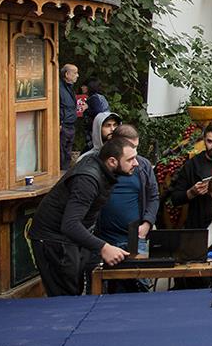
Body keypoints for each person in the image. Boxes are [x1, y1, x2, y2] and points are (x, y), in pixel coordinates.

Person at [29, 126, 137, 296]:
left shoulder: (102, 169)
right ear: (112, 161)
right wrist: (103, 247)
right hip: (53, 240)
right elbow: (70, 224)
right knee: (66, 297)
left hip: (69, 240)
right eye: (130, 160)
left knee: (76, 292)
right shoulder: (87, 179)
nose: (136, 163)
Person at [84, 123, 159, 293]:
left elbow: (153, 196)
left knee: (139, 286)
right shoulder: (98, 165)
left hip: (136, 238)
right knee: (102, 288)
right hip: (104, 238)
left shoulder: (142, 166)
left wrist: (147, 223)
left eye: (136, 147)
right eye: (130, 147)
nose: (134, 154)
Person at [164, 119, 212, 231]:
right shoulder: (192, 165)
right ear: (204, 140)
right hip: (199, 225)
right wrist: (192, 192)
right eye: (210, 141)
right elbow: (175, 199)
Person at [80, 77, 109, 152]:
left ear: (89, 87)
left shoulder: (94, 98)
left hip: (96, 129)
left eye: (84, 86)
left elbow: (98, 112)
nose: (82, 87)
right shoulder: (100, 97)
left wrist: (87, 109)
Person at [59, 63, 79, 169]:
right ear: (67, 74)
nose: (77, 75)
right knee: (61, 154)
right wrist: (59, 123)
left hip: (71, 125)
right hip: (63, 126)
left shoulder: (70, 88)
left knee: (67, 154)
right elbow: (57, 106)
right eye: (75, 73)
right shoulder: (59, 88)